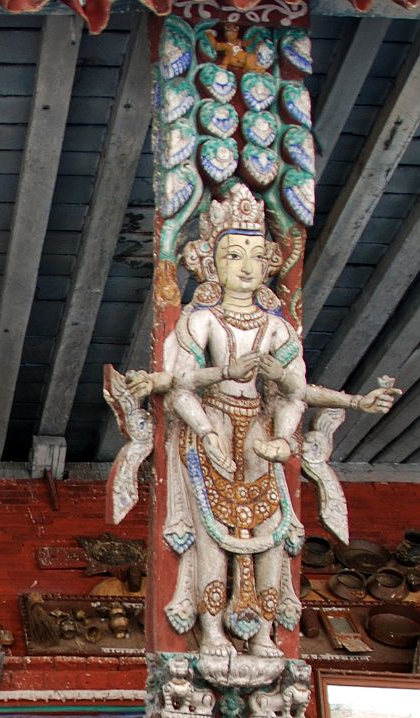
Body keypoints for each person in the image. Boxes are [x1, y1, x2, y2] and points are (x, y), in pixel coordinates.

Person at [126, 185, 399, 657]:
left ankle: (262, 634)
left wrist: (351, 404)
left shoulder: (276, 327)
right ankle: (213, 632)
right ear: (211, 262)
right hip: (210, 430)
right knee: (212, 536)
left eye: (256, 255)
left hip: (259, 438)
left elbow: (296, 391)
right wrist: (214, 406)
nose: (246, 266)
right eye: (233, 255)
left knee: (272, 534)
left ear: (270, 262)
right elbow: (181, 383)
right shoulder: (202, 320)